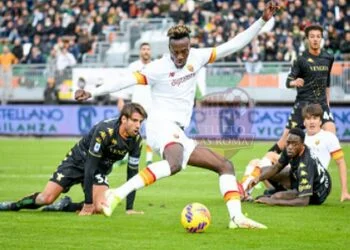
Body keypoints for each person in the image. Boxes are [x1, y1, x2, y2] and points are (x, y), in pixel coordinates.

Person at [75, 1, 280, 229]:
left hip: (178, 131)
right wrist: (93, 91)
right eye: (176, 52)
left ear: (190, 47)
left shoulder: (197, 57)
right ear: (169, 49)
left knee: (225, 166)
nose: (181, 57)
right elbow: (125, 80)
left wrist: (262, 20)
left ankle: (236, 218)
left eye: (184, 51)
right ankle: (117, 194)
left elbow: (233, 45)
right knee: (173, 164)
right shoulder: (157, 68)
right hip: (160, 125)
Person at [0, 103, 147, 216]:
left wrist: (129, 208)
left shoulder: (137, 141)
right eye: (134, 121)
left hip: (98, 170)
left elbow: (132, 174)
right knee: (46, 198)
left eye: (140, 122)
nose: (138, 126)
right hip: (78, 161)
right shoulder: (105, 131)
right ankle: (13, 206)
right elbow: (89, 166)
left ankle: (66, 206)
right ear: (123, 119)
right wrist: (87, 203)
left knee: (100, 208)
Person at [241, 104, 350, 202]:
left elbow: (340, 162)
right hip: (294, 173)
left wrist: (344, 191)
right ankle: (246, 192)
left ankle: (254, 191)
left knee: (267, 159)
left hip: (313, 177)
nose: (311, 121)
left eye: (315, 118)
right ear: (304, 122)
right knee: (258, 163)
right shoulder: (299, 137)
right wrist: (259, 177)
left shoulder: (328, 137)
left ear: (320, 121)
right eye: (308, 118)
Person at [268, 24, 336, 154]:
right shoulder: (301, 60)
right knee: (284, 142)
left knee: (331, 136)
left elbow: (327, 81)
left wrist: (327, 103)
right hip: (303, 105)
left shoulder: (328, 58)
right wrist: (294, 82)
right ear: (307, 39)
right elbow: (288, 82)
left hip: (321, 104)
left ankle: (317, 171)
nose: (315, 39)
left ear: (321, 38)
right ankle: (262, 164)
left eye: (318, 36)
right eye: (312, 37)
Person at [247, 128, 332, 206]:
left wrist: (274, 202)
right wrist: (258, 178)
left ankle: (278, 195)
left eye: (294, 144)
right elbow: (276, 167)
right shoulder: (289, 149)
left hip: (317, 192)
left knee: (277, 197)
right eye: (288, 142)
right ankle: (278, 191)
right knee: (264, 170)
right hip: (300, 178)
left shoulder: (305, 165)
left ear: (302, 145)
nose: (290, 147)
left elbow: (304, 201)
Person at [129, 42, 153, 165]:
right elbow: (126, 83)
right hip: (137, 103)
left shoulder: (155, 66)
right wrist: (121, 99)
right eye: (143, 49)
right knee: (132, 131)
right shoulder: (133, 66)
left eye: (148, 49)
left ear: (151, 52)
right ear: (140, 51)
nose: (146, 51)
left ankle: (149, 159)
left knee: (150, 132)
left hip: (152, 104)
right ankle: (128, 157)